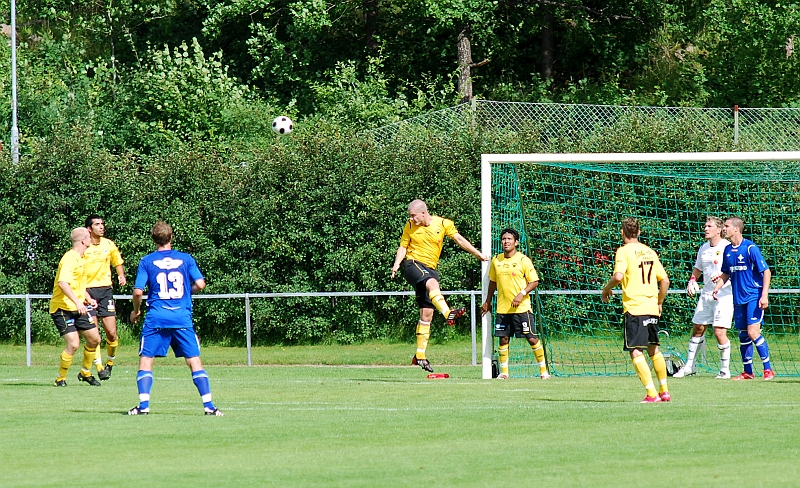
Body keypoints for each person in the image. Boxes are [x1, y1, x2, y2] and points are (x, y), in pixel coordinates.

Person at [128, 221, 223, 416]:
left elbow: (138, 291)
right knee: (194, 360)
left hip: (156, 318)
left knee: (146, 360)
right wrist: (188, 292)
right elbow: (201, 284)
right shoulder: (186, 259)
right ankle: (209, 406)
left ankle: (143, 406)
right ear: (171, 237)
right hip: (181, 317)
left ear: (154, 240)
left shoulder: (147, 261)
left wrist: (135, 310)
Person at [391, 199, 488, 373]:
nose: (411, 219)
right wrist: (397, 263)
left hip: (430, 268)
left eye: (413, 216)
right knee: (432, 283)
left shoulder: (443, 224)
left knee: (426, 314)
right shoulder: (410, 226)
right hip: (413, 264)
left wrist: (478, 255)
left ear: (423, 212)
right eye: (410, 216)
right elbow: (403, 246)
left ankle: (420, 356)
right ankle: (447, 313)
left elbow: (459, 239)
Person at [601, 217, 671, 403]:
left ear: (622, 233)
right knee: (654, 349)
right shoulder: (650, 251)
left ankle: (651, 394)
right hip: (651, 307)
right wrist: (659, 301)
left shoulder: (623, 251)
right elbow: (664, 280)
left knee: (635, 351)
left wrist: (606, 289)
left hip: (635, 307)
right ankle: (664, 391)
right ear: (639, 232)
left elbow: (618, 276)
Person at [480, 228, 549, 379]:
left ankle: (543, 371)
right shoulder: (496, 260)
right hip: (503, 309)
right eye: (504, 239)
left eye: (509, 239)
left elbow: (534, 281)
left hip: (522, 308)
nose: (506, 241)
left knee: (531, 337)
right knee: (503, 338)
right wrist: (488, 301)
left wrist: (521, 294)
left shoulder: (523, 260)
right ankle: (504, 373)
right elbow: (493, 282)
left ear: (516, 242)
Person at [712, 216, 774, 380]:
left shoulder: (750, 248)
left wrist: (764, 295)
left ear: (736, 229)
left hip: (753, 296)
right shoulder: (727, 250)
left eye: (726, 226)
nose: (724, 229)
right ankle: (748, 372)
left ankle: (768, 369)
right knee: (743, 335)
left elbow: (766, 272)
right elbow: (726, 272)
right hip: (738, 298)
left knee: (753, 332)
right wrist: (717, 288)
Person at [673, 217, 733, 379]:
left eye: (709, 226)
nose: (705, 228)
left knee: (719, 331)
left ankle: (724, 370)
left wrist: (722, 277)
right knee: (698, 328)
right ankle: (689, 366)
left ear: (719, 229)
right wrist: (692, 280)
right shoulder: (703, 248)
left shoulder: (727, 247)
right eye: (705, 226)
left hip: (724, 295)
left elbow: (735, 270)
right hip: (706, 295)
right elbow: (698, 268)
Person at [50, 227, 102, 387]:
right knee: (73, 344)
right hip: (62, 308)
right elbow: (63, 283)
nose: (91, 239)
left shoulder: (81, 258)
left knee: (94, 339)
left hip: (78, 307)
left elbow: (78, 285)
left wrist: (88, 298)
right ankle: (60, 379)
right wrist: (78, 303)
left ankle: (85, 372)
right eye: (89, 237)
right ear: (83, 241)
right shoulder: (70, 258)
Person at [83, 214, 127, 381]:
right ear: (89, 229)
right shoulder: (84, 247)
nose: (101, 227)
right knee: (94, 334)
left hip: (105, 291)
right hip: (88, 292)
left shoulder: (109, 244)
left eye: (102, 224)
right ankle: (99, 367)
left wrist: (121, 275)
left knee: (111, 332)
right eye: (97, 224)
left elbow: (118, 262)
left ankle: (110, 363)